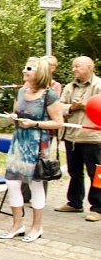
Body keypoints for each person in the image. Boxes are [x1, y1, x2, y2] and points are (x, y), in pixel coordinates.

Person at [0, 57, 63, 242]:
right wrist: (13, 118)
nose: (24, 71)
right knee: (12, 183)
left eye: (29, 69)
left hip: (37, 145)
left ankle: (37, 227)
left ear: (40, 72)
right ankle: (17, 224)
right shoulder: (21, 92)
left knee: (35, 185)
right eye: (25, 68)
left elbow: (57, 123)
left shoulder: (49, 95)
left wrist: (35, 123)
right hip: (19, 142)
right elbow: (17, 113)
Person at [55, 56, 101, 221]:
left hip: (93, 138)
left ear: (89, 67)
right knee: (74, 172)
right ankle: (74, 203)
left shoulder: (98, 85)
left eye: (77, 66)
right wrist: (71, 107)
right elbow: (59, 106)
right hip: (72, 137)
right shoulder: (69, 87)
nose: (74, 69)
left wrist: (85, 105)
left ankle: (98, 208)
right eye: (73, 67)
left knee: (97, 174)